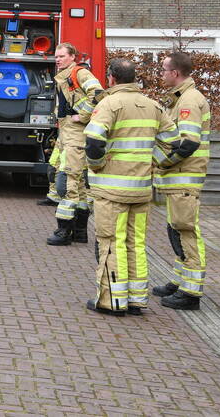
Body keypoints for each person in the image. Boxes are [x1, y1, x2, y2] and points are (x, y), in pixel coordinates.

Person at [83, 58, 177, 316]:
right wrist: (153, 163)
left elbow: (93, 141)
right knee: (136, 244)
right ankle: (136, 300)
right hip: (141, 190)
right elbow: (175, 143)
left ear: (111, 78)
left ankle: (112, 301)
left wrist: (96, 166)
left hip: (111, 190)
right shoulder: (153, 106)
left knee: (112, 242)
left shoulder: (109, 104)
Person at [152, 52, 211, 310]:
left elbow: (188, 143)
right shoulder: (180, 98)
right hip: (177, 180)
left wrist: (163, 162)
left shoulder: (188, 100)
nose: (161, 74)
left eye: (163, 70)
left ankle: (190, 292)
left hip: (183, 178)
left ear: (175, 73)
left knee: (186, 232)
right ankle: (179, 281)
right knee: (176, 230)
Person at [47, 43, 103, 246]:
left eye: (62, 56)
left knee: (68, 181)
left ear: (72, 57)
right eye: (56, 57)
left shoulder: (79, 73)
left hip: (76, 135)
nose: (58, 60)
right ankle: (80, 233)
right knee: (78, 185)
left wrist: (84, 115)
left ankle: (64, 231)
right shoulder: (64, 77)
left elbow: (98, 93)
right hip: (68, 133)